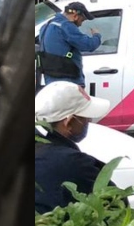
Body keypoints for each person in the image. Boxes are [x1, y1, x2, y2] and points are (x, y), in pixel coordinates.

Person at [34, 82, 115, 214]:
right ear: (69, 123)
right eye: (85, 117)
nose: (88, 121)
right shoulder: (75, 164)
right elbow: (116, 207)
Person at [38, 1, 102, 89]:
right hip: (68, 80)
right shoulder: (66, 26)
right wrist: (97, 36)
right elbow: (88, 45)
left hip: (51, 80)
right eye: (82, 20)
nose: (80, 24)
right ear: (75, 16)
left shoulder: (46, 26)